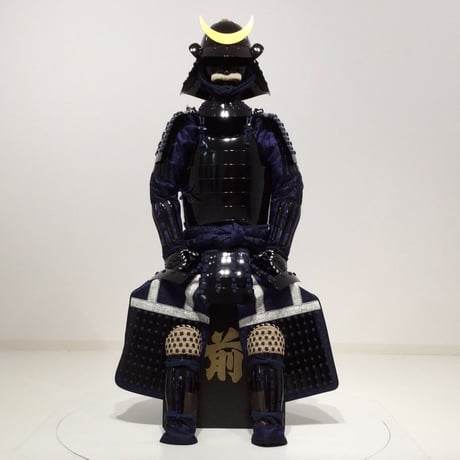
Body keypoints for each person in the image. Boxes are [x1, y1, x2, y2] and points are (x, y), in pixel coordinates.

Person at [116, 17, 338, 447]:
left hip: (255, 249)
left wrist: (278, 250)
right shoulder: (185, 129)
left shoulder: (266, 129)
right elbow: (163, 190)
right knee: (174, 319)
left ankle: (267, 418)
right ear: (200, 67)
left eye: (234, 64)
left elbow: (288, 190)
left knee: (271, 322)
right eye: (217, 64)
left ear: (250, 68)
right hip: (197, 250)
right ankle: (180, 418)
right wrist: (173, 248)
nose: (225, 72)